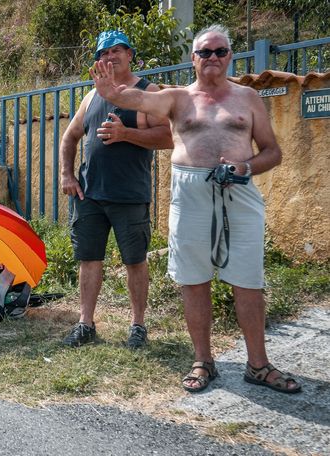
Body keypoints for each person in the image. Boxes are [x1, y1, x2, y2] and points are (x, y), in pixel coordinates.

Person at [89, 24, 301, 393]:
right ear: (193, 59)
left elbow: (273, 151)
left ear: (230, 56)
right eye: (205, 52)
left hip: (238, 191)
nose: (213, 58)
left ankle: (258, 364)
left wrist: (245, 167)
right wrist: (111, 93)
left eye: (220, 51)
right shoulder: (177, 98)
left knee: (249, 280)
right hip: (190, 194)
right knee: (193, 279)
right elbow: (135, 100)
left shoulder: (248, 98)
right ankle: (203, 360)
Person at [59, 30, 173, 348]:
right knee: (88, 258)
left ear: (130, 55)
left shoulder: (147, 92)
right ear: (98, 61)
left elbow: (168, 137)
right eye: (103, 53)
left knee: (135, 260)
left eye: (117, 50)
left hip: (129, 195)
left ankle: (137, 326)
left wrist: (126, 134)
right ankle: (86, 324)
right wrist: (68, 176)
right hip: (90, 195)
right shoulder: (91, 96)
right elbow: (69, 137)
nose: (110, 56)